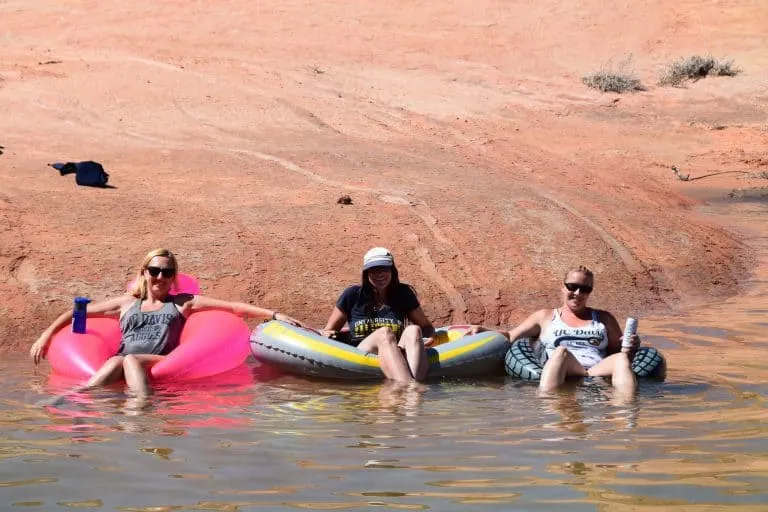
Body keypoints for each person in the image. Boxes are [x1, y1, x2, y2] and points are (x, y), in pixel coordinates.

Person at [30, 248, 305, 401]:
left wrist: (274, 314)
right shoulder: (126, 304)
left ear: (173, 277)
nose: (160, 276)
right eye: (155, 271)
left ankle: (141, 409)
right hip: (124, 361)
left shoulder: (182, 302)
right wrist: (45, 335)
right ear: (144, 273)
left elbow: (233, 307)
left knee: (131, 360)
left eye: (167, 272)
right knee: (117, 362)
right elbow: (77, 312)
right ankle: (77, 398)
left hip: (158, 360)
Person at [470, 266, 640, 395]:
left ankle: (626, 415)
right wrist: (486, 331)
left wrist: (631, 347)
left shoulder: (604, 318)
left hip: (596, 369)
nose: (578, 293)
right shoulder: (545, 316)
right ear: (563, 287)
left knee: (620, 359)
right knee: (561, 351)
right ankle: (548, 404)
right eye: (572, 286)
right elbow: (511, 336)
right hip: (564, 365)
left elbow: (620, 353)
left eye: (585, 289)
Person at [322, 247, 435, 383]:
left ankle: (413, 389)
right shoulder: (352, 295)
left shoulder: (403, 294)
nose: (380, 274)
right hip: (362, 352)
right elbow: (330, 330)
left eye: (384, 269)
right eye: (374, 270)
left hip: (396, 351)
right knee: (384, 333)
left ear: (392, 271)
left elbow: (426, 326)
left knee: (414, 330)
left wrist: (429, 337)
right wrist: (331, 336)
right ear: (366, 273)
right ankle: (410, 387)